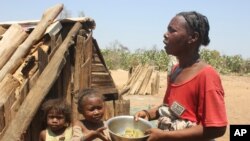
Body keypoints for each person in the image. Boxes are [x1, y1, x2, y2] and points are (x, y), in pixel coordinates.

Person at [134, 11, 227, 141]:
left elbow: (217, 128)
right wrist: (148, 114)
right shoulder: (175, 71)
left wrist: (165, 136)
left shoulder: (207, 76)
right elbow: (171, 107)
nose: (165, 34)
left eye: (173, 31)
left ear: (193, 37)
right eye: (167, 30)